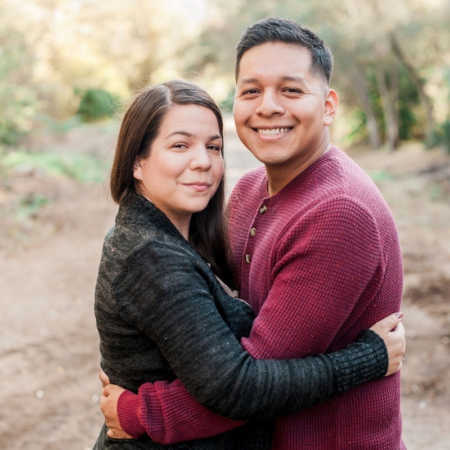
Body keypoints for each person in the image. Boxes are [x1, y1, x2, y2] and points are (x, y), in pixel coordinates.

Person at [94, 79, 405, 450]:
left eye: (213, 146)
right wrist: (368, 358)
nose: (203, 162)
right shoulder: (150, 256)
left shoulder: (173, 238)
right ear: (136, 162)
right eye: (180, 145)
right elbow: (238, 389)